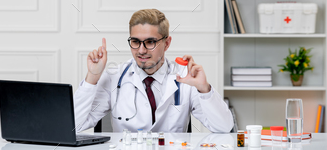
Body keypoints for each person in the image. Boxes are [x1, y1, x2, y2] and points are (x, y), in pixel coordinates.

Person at [74, 9, 233, 133]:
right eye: (135, 42)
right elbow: (75, 125)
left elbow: (224, 127)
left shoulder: (185, 77)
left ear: (167, 43)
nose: (141, 50)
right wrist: (92, 77)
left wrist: (204, 89)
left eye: (150, 42)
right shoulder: (113, 78)